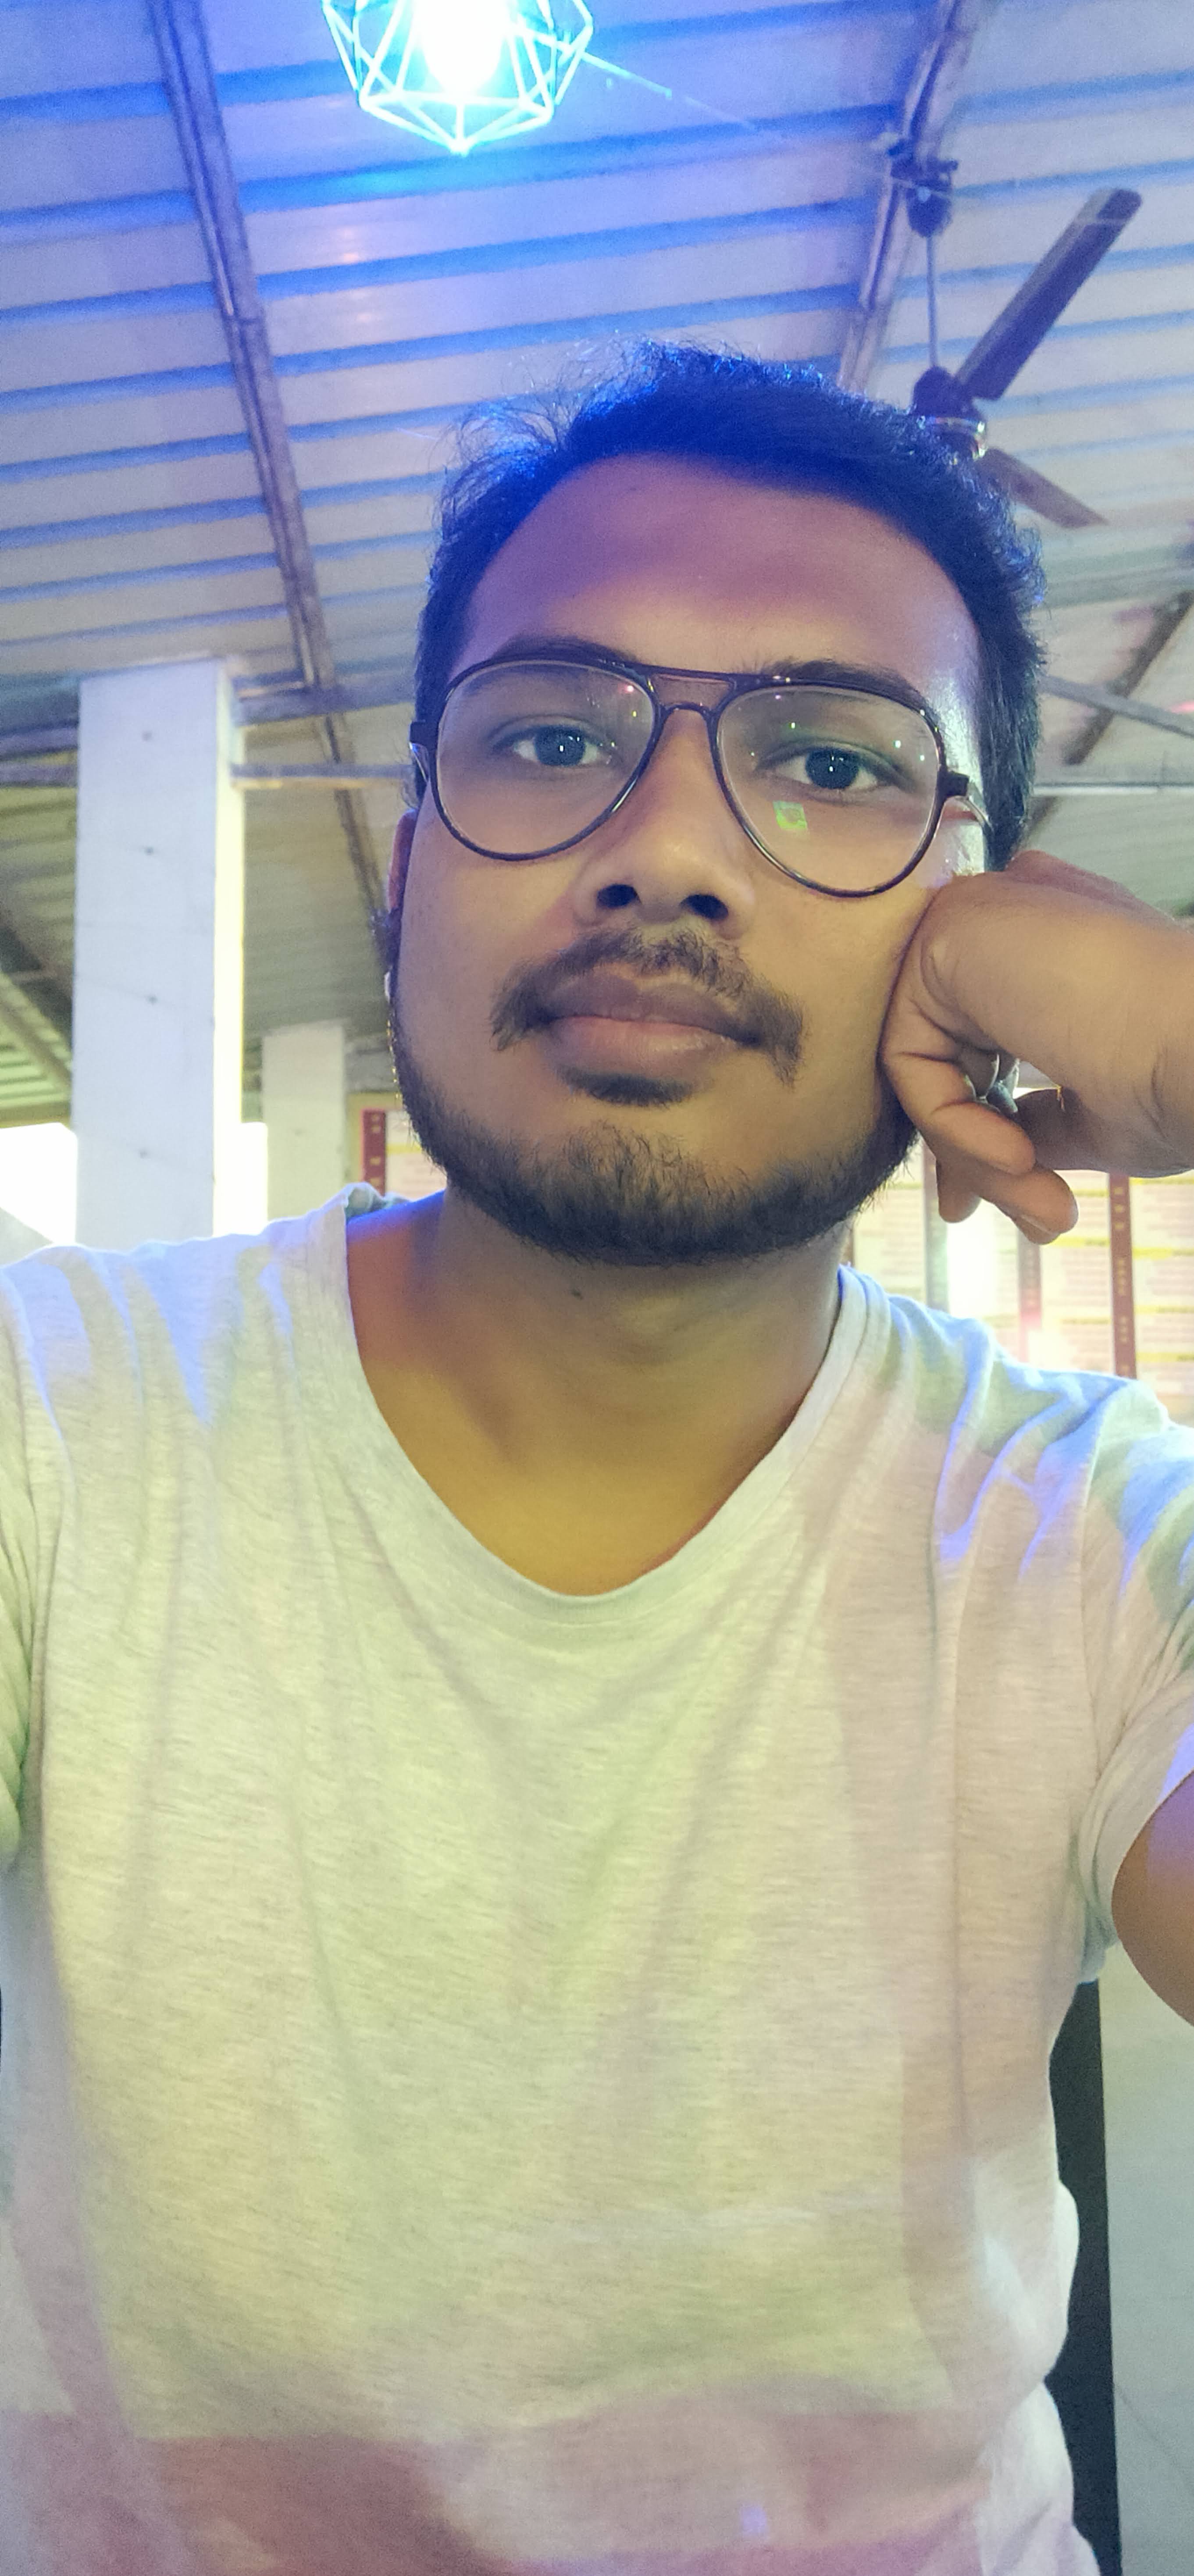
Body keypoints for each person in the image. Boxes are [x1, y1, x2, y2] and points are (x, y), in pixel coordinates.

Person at [1, 342, 1192, 2576]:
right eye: (551, 734)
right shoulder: (55, 1417)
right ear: (410, 859)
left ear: (984, 914)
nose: (666, 850)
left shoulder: (1092, 1529)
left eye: (832, 763)